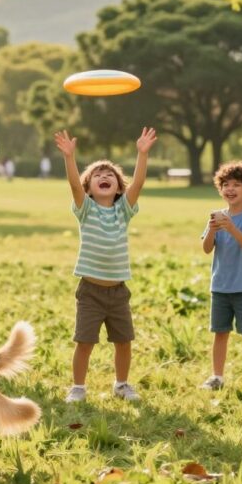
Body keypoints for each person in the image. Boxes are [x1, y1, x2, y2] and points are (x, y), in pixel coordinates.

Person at [54, 127, 157, 403]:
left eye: (109, 174)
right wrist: (69, 157)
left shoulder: (123, 210)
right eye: (97, 175)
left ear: (118, 187)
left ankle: (122, 384)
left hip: (118, 292)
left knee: (124, 341)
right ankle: (78, 387)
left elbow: (138, 184)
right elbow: (74, 185)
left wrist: (142, 154)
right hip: (90, 291)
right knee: (84, 342)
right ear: (89, 188)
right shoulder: (85, 209)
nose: (103, 176)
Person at [199, 161, 242, 394]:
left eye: (236, 185)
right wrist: (213, 230)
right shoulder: (217, 217)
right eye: (225, 184)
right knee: (220, 333)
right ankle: (217, 376)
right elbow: (207, 249)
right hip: (220, 287)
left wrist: (231, 228)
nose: (230, 188)